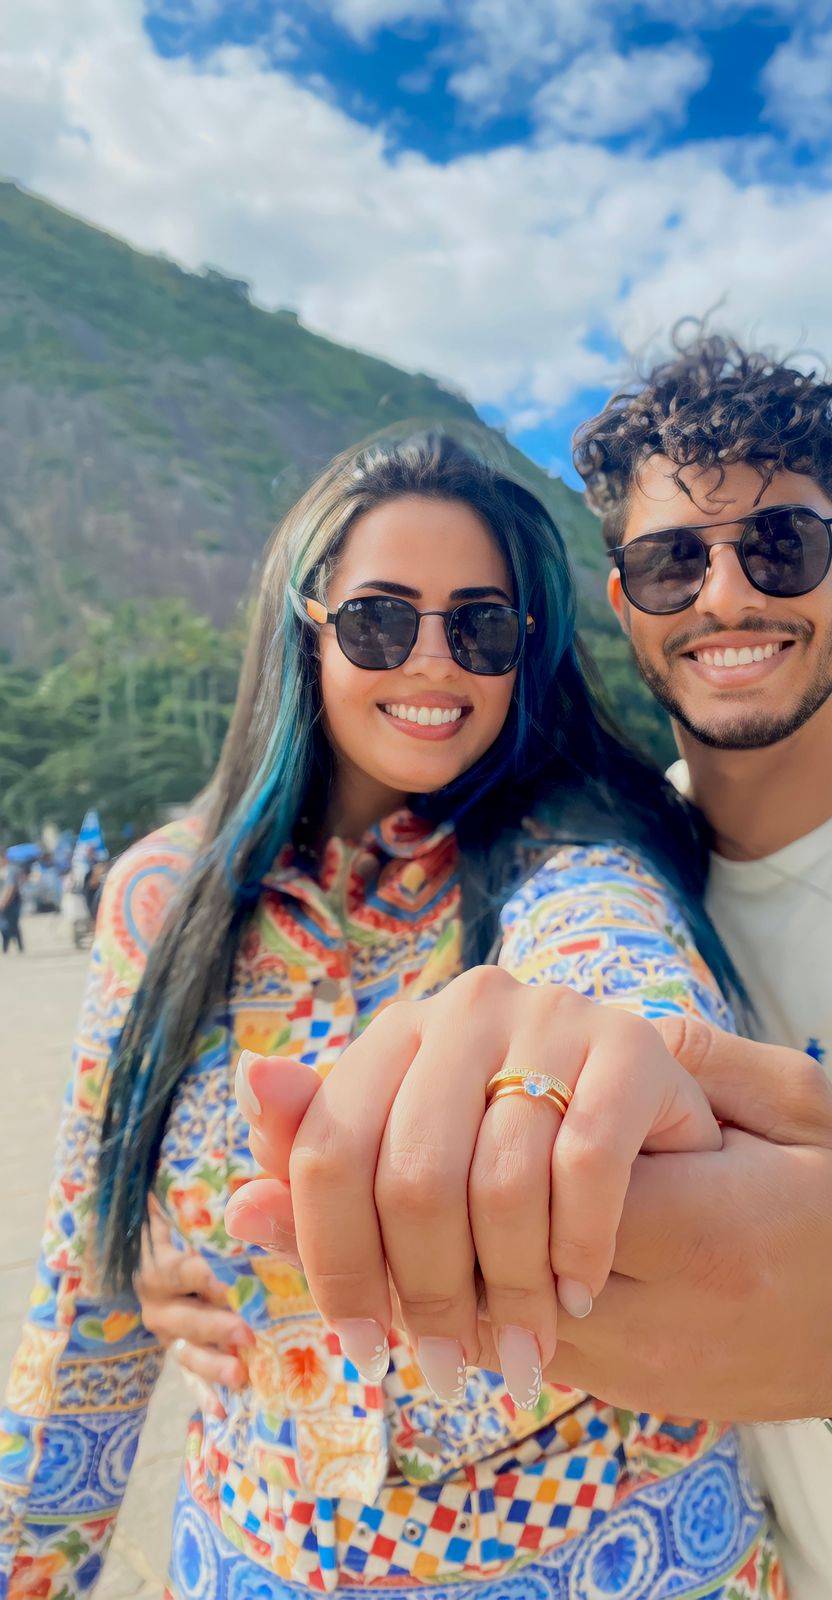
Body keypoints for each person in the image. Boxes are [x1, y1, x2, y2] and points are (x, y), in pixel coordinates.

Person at [205, 332, 832, 1598]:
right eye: (673, 561)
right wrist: (232, 1264)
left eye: (781, 546)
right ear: (625, 603)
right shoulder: (617, 859)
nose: (726, 595)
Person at [0, 432, 787, 1600]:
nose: (432, 661)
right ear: (305, 626)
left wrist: (616, 1062)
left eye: (479, 627)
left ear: (525, 654)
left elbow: (617, 975)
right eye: (378, 620)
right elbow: (86, 1306)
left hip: (614, 1554)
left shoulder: (572, 862)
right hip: (255, 1555)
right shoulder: (162, 901)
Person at [0, 861, 27, 953]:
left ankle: (19, 946)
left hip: (12, 902)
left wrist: (4, 902)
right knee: (4, 925)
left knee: (12, 924)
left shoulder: (10, 870)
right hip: (3, 902)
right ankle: (6, 947)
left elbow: (11, 887)